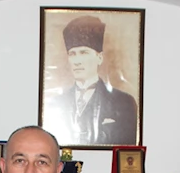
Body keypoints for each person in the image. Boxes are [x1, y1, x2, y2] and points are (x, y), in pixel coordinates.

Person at [43, 15, 138, 146]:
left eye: (84, 53)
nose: (77, 61)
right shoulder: (56, 103)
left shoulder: (124, 103)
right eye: (72, 54)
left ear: (99, 57)